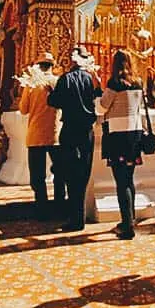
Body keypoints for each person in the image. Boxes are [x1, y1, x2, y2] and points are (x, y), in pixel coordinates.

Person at [47, 46, 102, 232]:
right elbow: (98, 99)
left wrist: (50, 91)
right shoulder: (90, 79)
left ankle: (74, 217)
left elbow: (54, 102)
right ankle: (80, 216)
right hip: (87, 130)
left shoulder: (65, 79)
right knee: (83, 172)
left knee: (70, 173)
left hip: (70, 128)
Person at [100, 50, 147, 240]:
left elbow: (102, 106)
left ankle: (127, 225)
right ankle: (130, 218)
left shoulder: (114, 83)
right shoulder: (138, 83)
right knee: (129, 177)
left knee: (121, 180)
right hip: (134, 134)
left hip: (117, 135)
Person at [18, 53, 64, 219]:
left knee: (37, 175)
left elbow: (23, 109)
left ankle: (42, 207)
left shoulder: (31, 84)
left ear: (37, 66)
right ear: (52, 66)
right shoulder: (58, 81)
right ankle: (60, 205)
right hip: (55, 134)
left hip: (36, 134)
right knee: (59, 171)